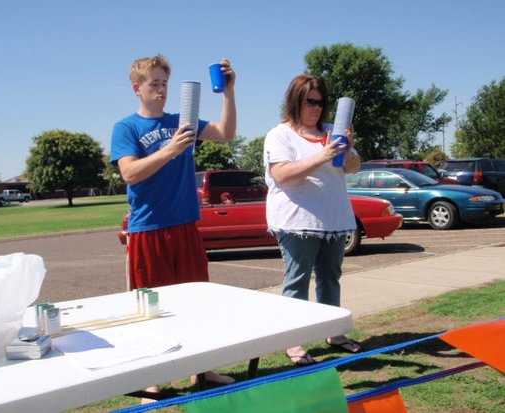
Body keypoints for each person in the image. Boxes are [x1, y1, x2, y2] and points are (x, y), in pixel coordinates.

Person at [111, 54, 237, 398]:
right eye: (154, 83)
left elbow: (226, 133)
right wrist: (169, 150)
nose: (162, 89)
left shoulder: (183, 120)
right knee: (149, 306)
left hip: (185, 225)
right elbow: (130, 173)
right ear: (137, 88)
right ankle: (152, 374)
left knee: (197, 303)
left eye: (165, 83)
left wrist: (229, 92)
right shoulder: (127, 128)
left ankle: (203, 369)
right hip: (148, 228)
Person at [263, 74, 362, 366]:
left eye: (321, 102)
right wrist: (323, 155)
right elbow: (282, 174)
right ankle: (293, 341)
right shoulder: (280, 135)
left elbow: (353, 167)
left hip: (334, 220)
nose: (316, 107)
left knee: (331, 278)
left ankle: (334, 333)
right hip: (297, 222)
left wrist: (348, 150)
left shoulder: (333, 130)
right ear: (295, 101)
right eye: (310, 101)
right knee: (297, 281)